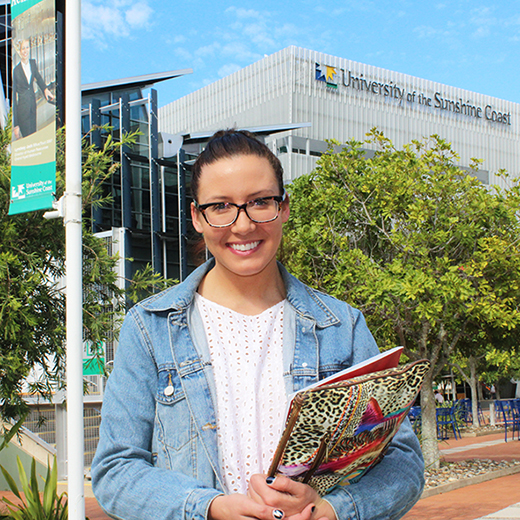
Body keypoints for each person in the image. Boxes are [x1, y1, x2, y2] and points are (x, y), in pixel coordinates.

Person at [91, 129, 425, 520]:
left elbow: (402, 461)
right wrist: (210, 508)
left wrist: (332, 512)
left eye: (260, 202)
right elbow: (115, 471)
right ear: (197, 216)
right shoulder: (150, 328)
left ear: (283, 207)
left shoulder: (342, 327)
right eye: (221, 207)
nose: (244, 225)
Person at [12, 38, 55, 140]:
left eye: (27, 47)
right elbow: (14, 98)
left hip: (32, 105)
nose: (25, 50)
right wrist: (16, 124)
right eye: (23, 48)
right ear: (19, 51)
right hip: (22, 111)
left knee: (34, 136)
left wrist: (45, 89)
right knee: (28, 139)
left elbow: (38, 78)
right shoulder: (16, 71)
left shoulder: (32, 63)